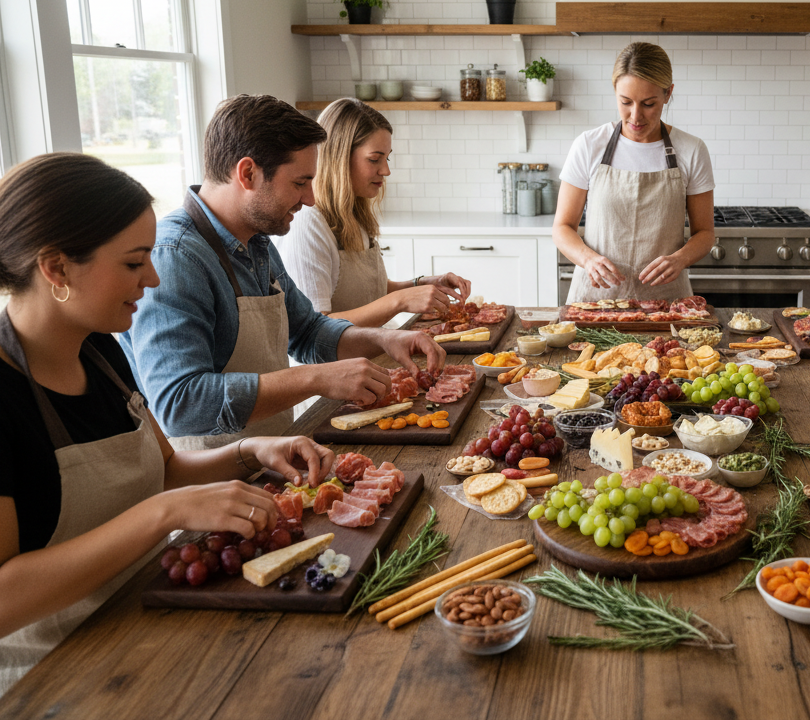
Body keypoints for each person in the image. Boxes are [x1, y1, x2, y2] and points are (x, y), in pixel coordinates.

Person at [0, 154, 334, 694]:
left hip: (144, 632)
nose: (153, 278)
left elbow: (168, 469)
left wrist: (252, 452)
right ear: (56, 268)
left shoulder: (101, 352)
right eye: (134, 263)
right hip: (52, 680)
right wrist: (163, 514)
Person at [121, 94, 446, 450]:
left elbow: (307, 331)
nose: (309, 198)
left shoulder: (256, 241)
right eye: (299, 182)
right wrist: (315, 378)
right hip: (212, 479)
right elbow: (180, 404)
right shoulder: (177, 257)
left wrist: (383, 339)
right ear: (248, 173)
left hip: (272, 454)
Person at [275, 98, 472, 326]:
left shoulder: (352, 214)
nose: (386, 170)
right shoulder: (307, 223)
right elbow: (313, 327)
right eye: (374, 159)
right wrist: (400, 301)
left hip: (369, 350)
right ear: (339, 158)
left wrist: (422, 284)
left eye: (386, 158)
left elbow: (366, 291)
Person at [553, 42, 714, 302]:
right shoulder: (589, 145)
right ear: (615, 91)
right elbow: (562, 227)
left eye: (649, 103)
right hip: (597, 301)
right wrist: (588, 259)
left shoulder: (692, 150)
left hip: (666, 303)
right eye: (625, 102)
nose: (635, 116)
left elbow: (705, 233)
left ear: (668, 93)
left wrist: (679, 259)